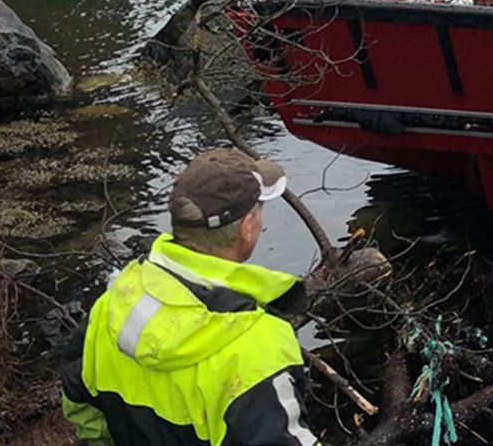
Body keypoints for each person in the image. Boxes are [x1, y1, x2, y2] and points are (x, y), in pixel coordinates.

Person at [62, 149, 318, 446]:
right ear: (247, 227)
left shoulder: (115, 301)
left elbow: (77, 401)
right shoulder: (260, 346)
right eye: (259, 211)